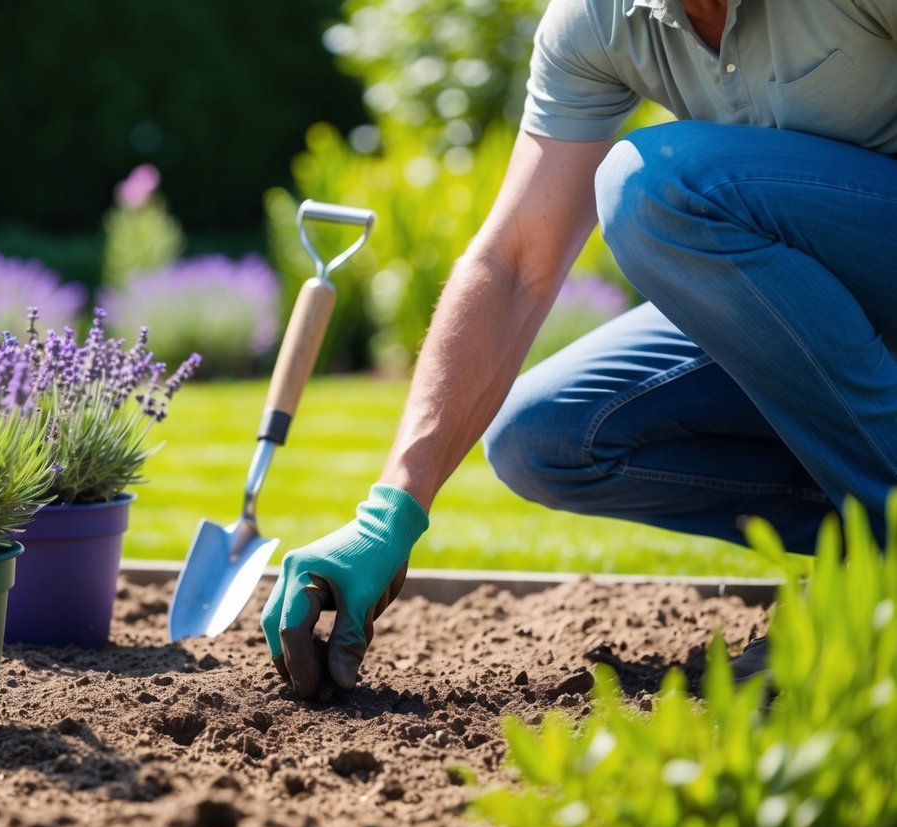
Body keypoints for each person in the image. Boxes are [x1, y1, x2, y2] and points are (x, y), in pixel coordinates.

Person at [261, 0, 897, 699]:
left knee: (657, 187)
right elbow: (512, 264)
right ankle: (869, 547)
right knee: (547, 434)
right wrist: (389, 511)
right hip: (834, 312)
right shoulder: (599, 18)